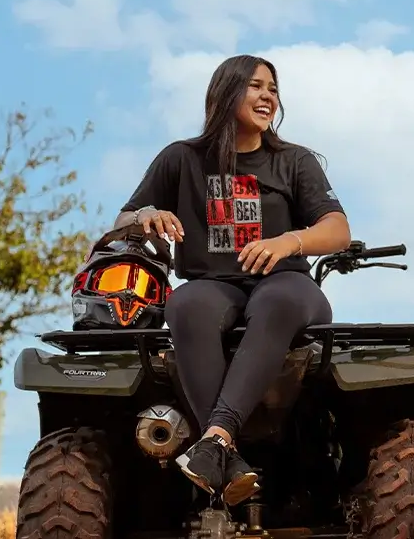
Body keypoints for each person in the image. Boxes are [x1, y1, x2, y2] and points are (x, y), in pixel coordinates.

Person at [115, 54, 351, 507]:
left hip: (286, 283)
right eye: (257, 87)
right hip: (214, 284)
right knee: (184, 304)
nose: (268, 97)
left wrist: (288, 242)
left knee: (276, 303)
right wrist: (148, 213)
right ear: (226, 92)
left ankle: (215, 437)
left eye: (274, 89)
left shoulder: (294, 161)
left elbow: (337, 230)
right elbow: (125, 216)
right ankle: (227, 455)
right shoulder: (181, 159)